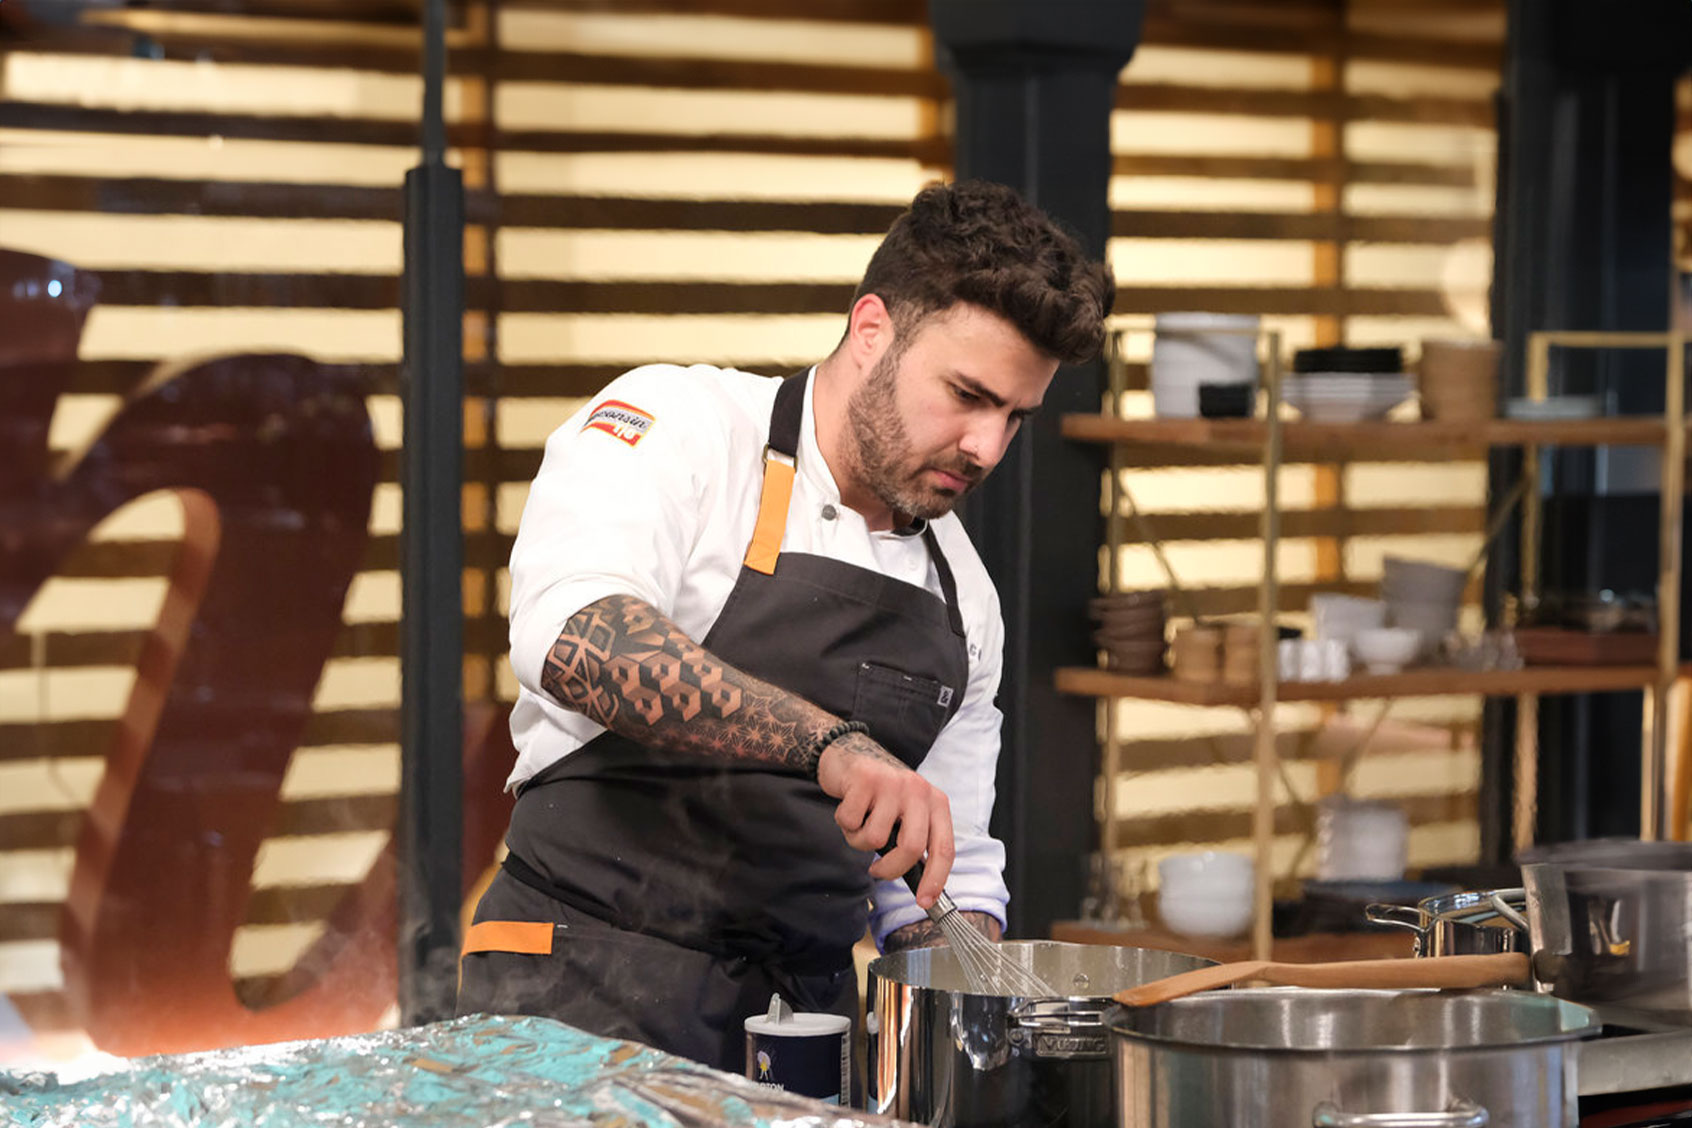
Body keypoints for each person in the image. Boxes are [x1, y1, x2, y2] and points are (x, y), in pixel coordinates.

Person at [457, 179, 1114, 1072]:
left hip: (801, 1033)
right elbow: (575, 637)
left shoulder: (965, 595)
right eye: (966, 394)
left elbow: (938, 883)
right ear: (872, 328)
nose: (987, 447)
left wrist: (965, 1005)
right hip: (578, 997)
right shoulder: (679, 430)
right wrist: (829, 744)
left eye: (1015, 418)